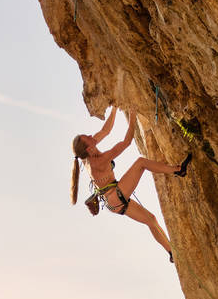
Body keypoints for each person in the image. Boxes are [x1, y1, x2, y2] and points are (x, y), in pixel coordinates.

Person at [70, 105, 191, 262]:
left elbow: (106, 130)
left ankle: (171, 253)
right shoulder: (97, 162)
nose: (90, 134)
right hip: (115, 196)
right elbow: (126, 142)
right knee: (140, 163)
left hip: (114, 201)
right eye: (87, 137)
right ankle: (178, 170)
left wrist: (114, 108)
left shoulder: (88, 152)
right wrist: (132, 116)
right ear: (88, 147)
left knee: (151, 220)